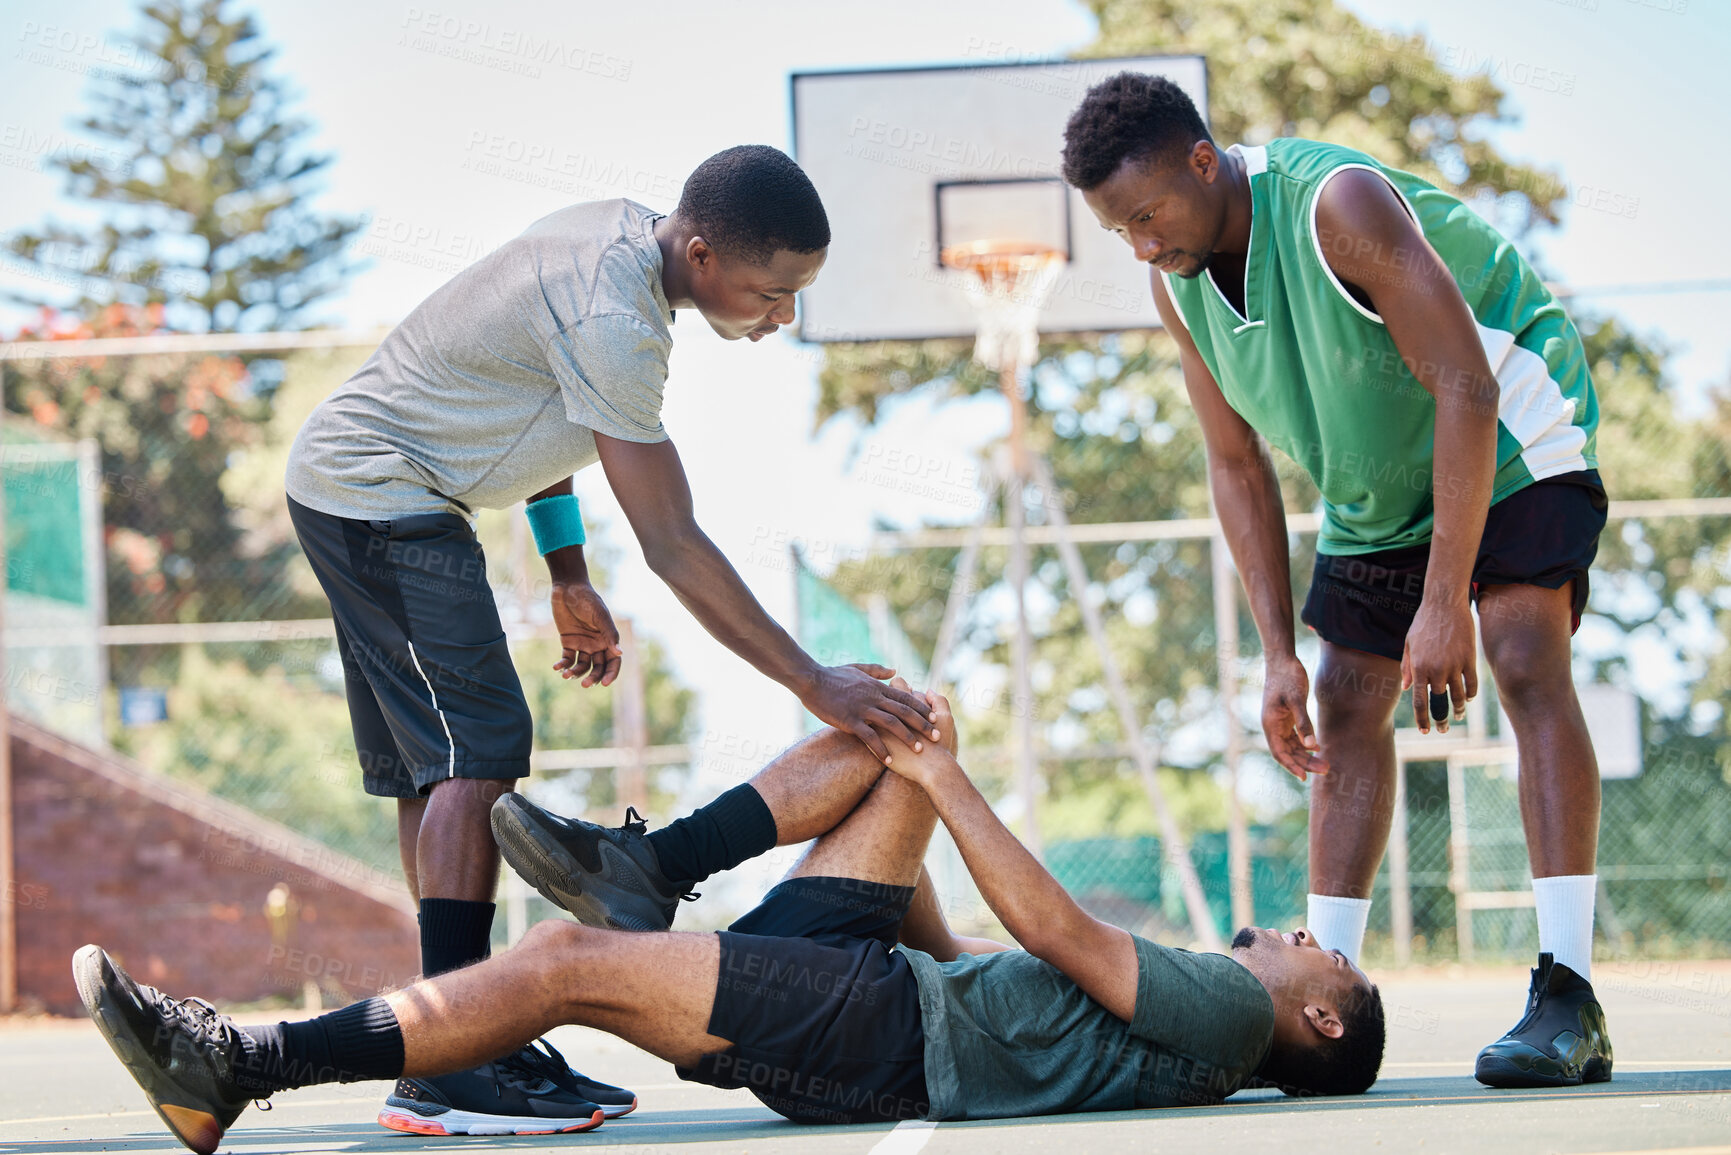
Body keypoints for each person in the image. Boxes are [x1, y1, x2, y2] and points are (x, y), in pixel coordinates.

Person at [279, 143, 939, 1131]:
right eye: (771, 292)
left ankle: (456, 1032)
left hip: (360, 487)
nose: (781, 315)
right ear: (706, 254)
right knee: (478, 756)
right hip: (384, 494)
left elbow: (537, 412)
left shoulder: (619, 245)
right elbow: (673, 543)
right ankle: (454, 1052)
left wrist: (567, 573)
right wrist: (816, 683)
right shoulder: (618, 318)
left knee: (438, 770)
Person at [74, 692, 1383, 1154]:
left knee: (561, 961)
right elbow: (1003, 962)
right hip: (895, 988)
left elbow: (1046, 925)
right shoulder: (1188, 1027)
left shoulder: (1225, 1017)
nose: (1289, 930)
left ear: (1313, 1015)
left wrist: (947, 783)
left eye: (1317, 950)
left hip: (879, 1032)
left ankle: (240, 1065)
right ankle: (650, 865)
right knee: (882, 734)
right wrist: (912, 793)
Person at [1059, 73, 1612, 1088]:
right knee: (1343, 703)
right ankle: (1309, 1010)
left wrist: (1445, 600)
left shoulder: (1335, 206)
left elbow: (1466, 385)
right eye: (1117, 231)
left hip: (1509, 426)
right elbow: (1236, 463)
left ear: (1201, 160)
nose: (1139, 243)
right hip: (1373, 482)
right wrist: (1275, 653)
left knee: (1525, 652)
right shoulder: (1175, 282)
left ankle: (1568, 990)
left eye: (1146, 216)